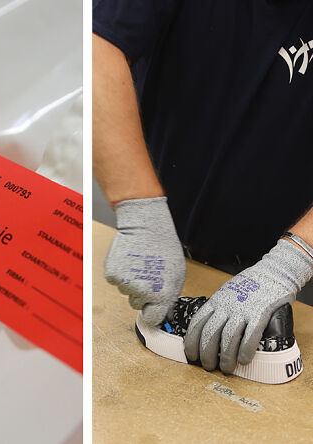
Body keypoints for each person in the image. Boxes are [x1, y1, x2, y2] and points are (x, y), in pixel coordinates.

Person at [93, 0, 313, 376]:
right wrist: (139, 209)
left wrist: (290, 264)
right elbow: (98, 45)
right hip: (163, 231)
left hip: (295, 265)